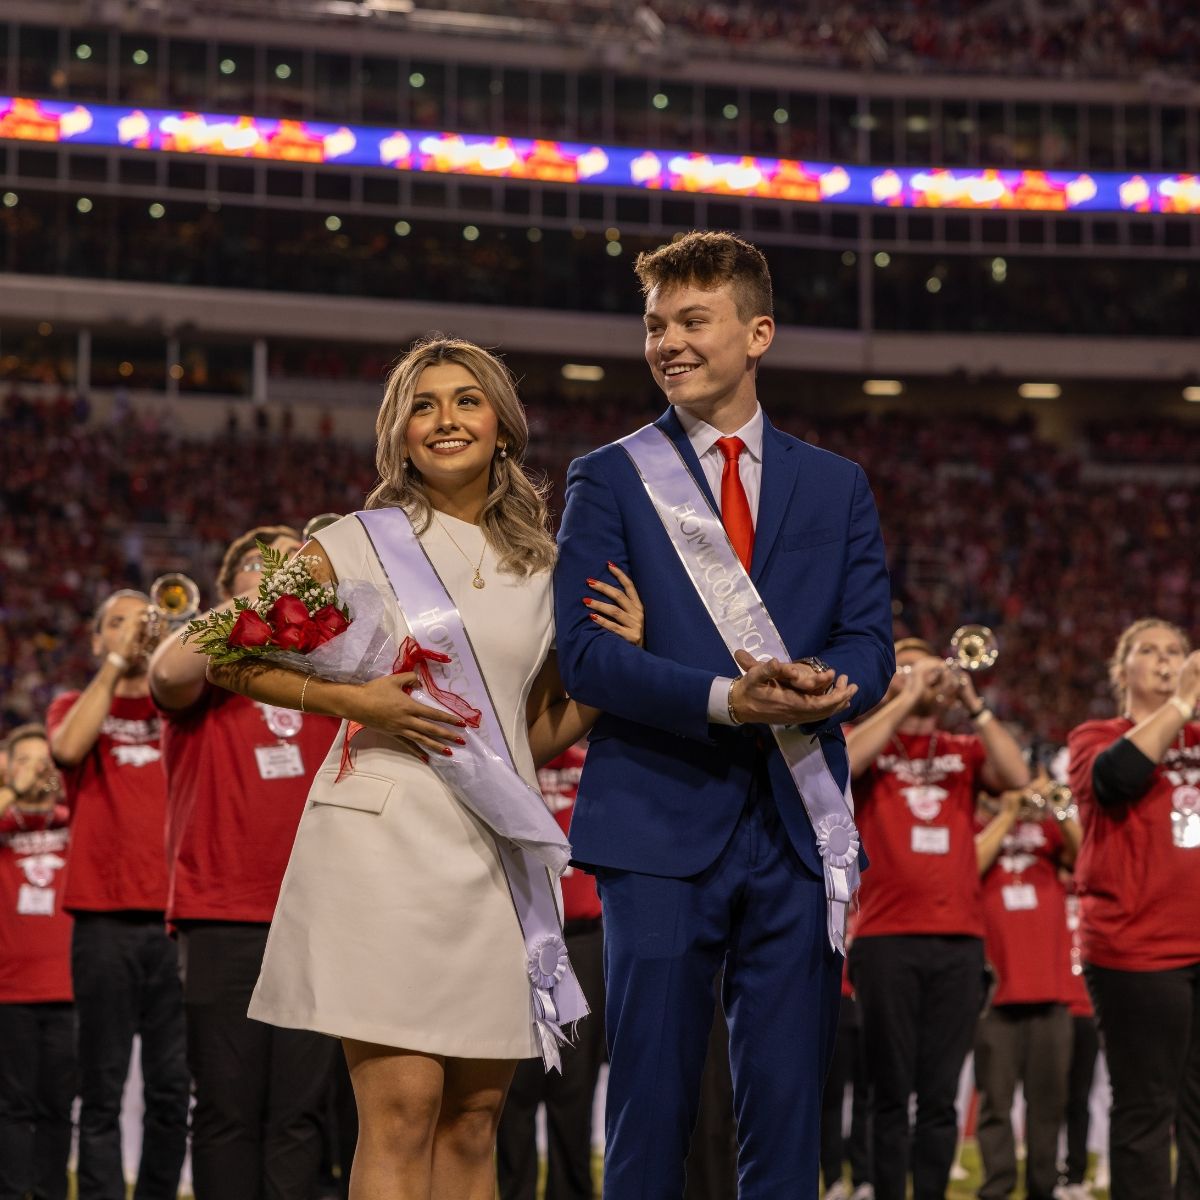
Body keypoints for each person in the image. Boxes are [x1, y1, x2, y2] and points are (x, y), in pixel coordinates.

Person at [206, 337, 643, 1200]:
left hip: (491, 854)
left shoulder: (548, 568)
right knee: (403, 1107)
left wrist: (614, 670)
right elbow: (223, 655)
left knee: (475, 1121)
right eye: (424, 405)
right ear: (399, 433)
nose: (446, 420)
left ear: (503, 427)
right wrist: (354, 702)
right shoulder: (350, 541)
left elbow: (525, 737)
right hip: (382, 841)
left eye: (466, 401)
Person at [553, 230, 895, 1196]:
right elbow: (586, 659)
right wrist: (723, 698)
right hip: (658, 824)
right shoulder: (609, 476)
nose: (667, 341)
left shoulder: (838, 483)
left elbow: (870, 641)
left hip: (797, 830)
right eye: (655, 324)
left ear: (758, 333)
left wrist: (832, 685)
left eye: (692, 321)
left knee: (789, 1112)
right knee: (649, 1108)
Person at [148, 526, 342, 1200]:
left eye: (299, 564)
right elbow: (167, 673)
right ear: (232, 589)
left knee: (301, 1114)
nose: (288, 575)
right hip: (222, 917)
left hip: (319, 916)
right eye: (266, 568)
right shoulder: (205, 668)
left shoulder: (333, 661)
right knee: (228, 1111)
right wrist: (262, 597)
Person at [844, 638, 1029, 1200]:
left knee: (942, 1094)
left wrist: (974, 705)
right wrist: (902, 699)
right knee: (889, 1091)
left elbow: (1018, 776)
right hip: (884, 938)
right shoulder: (872, 739)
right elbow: (844, 763)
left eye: (931, 668)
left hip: (959, 941)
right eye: (907, 666)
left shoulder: (963, 748)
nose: (924, 676)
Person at [46, 589, 189, 1200]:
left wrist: (163, 656)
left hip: (177, 921)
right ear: (97, 638)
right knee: (100, 1088)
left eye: (142, 622)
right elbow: (67, 750)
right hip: (102, 923)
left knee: (170, 1089)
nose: (131, 631)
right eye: (116, 623)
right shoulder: (72, 705)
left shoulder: (181, 712)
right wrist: (116, 663)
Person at [1067, 618, 1200, 1199]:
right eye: (1149, 651)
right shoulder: (1095, 734)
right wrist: (1185, 703)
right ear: (1123, 672)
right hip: (1137, 951)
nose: (1167, 659)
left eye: (1176, 649)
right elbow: (1116, 779)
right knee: (1147, 1110)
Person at [496, 742, 606, 1200]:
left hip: (583, 941)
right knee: (511, 1092)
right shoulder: (506, 763)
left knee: (574, 1094)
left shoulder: (595, 765)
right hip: (514, 938)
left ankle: (573, 1192)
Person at [973, 775, 1081, 1200]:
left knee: (1048, 1107)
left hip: (1051, 994)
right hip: (994, 997)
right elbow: (970, 865)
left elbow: (1084, 853)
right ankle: (996, 1190)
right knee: (995, 1107)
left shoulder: (1050, 829)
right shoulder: (976, 823)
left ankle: (1043, 1188)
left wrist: (1057, 804)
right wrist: (1008, 814)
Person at [0, 725, 75, 1200]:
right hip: (9, 992)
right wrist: (13, 790)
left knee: (57, 1108)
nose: (35, 769)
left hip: (69, 991)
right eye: (23, 759)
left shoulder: (73, 819)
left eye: (41, 760)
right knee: (11, 1108)